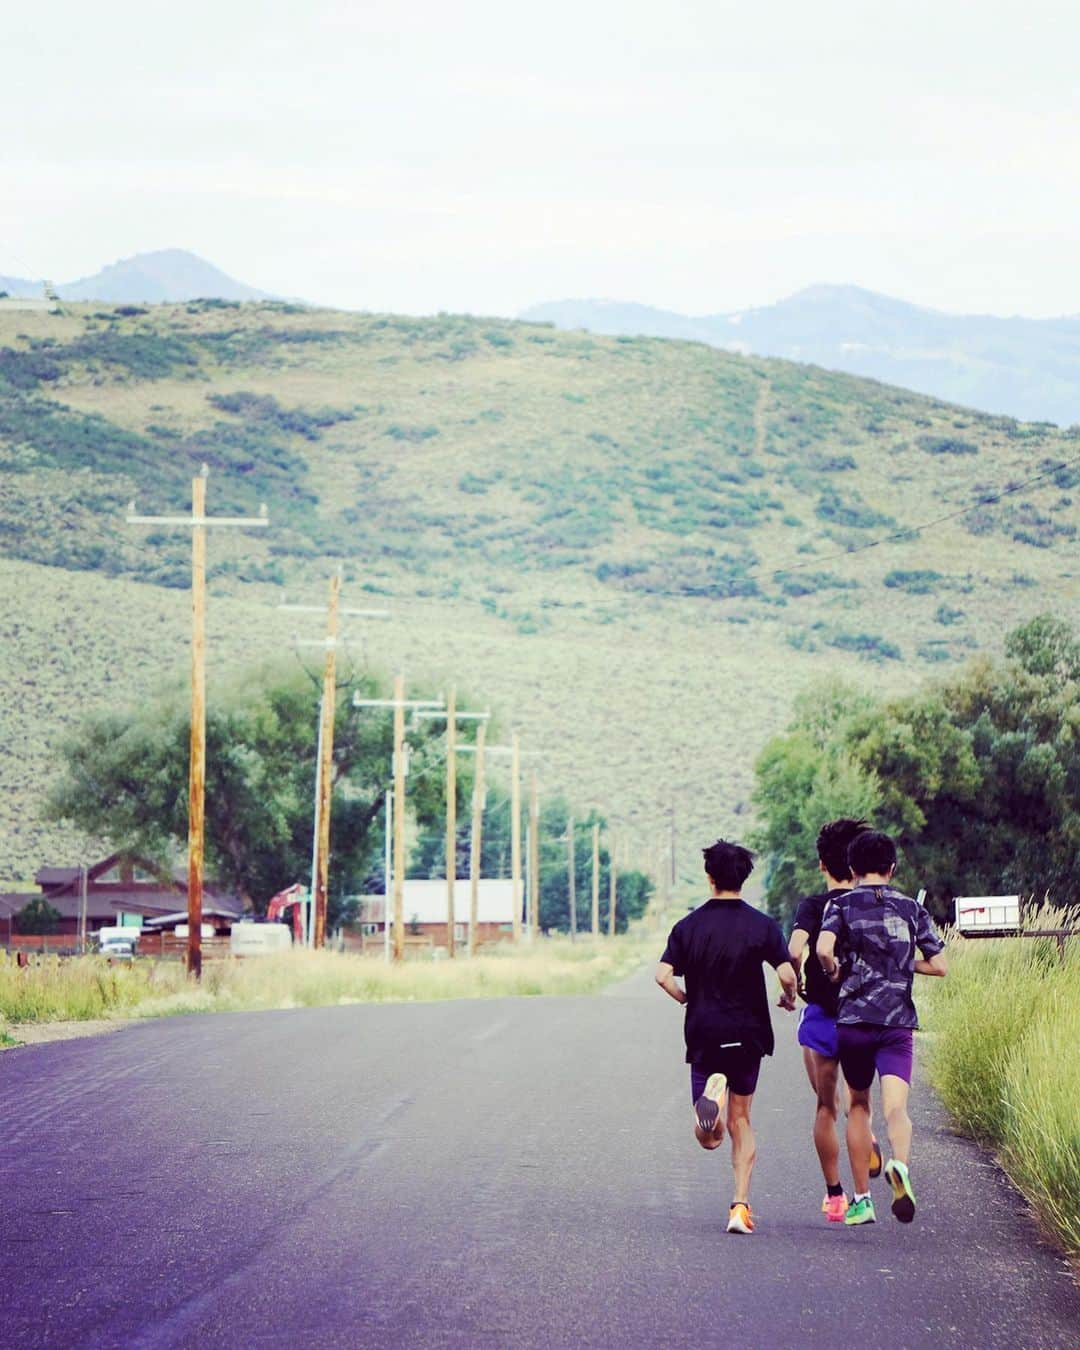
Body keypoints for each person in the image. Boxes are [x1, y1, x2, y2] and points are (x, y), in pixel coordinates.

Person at [656, 839, 798, 1235]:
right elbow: (787, 974)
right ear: (744, 877)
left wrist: (688, 998)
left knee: (708, 1139)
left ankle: (711, 1105)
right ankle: (740, 1207)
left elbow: (662, 975)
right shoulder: (762, 925)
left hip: (704, 1030)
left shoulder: (688, 926)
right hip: (748, 1033)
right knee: (742, 1120)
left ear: (710, 877)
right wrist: (789, 997)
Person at [817, 830, 947, 1226]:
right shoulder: (911, 909)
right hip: (897, 1024)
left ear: (852, 869)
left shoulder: (840, 904)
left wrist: (836, 970)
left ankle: (860, 1201)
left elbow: (823, 949)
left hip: (854, 1020)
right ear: (892, 868)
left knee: (858, 1106)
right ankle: (900, 1166)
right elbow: (940, 965)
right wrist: (902, 966)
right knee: (896, 1109)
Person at [788, 817, 883, 1223]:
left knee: (826, 1106)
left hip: (824, 1015)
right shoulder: (872, 904)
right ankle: (868, 1141)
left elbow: (794, 949)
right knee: (859, 1103)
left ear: (822, 864)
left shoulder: (813, 906)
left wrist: (792, 986)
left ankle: (835, 1197)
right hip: (864, 1016)